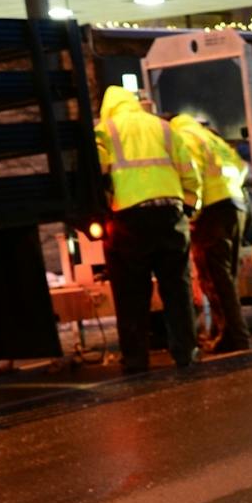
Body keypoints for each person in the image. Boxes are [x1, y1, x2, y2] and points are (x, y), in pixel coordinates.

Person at [94, 86, 200, 372]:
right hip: (170, 212)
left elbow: (100, 175)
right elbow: (189, 172)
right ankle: (186, 353)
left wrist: (104, 209)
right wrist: (188, 206)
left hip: (129, 217)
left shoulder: (104, 131)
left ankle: (137, 360)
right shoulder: (163, 128)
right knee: (177, 288)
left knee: (131, 294)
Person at [171, 110, 251, 354]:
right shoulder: (209, 137)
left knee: (216, 280)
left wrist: (191, 216)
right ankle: (228, 334)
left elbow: (193, 176)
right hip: (236, 205)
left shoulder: (183, 136)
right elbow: (240, 167)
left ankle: (236, 338)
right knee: (226, 279)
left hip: (213, 212)